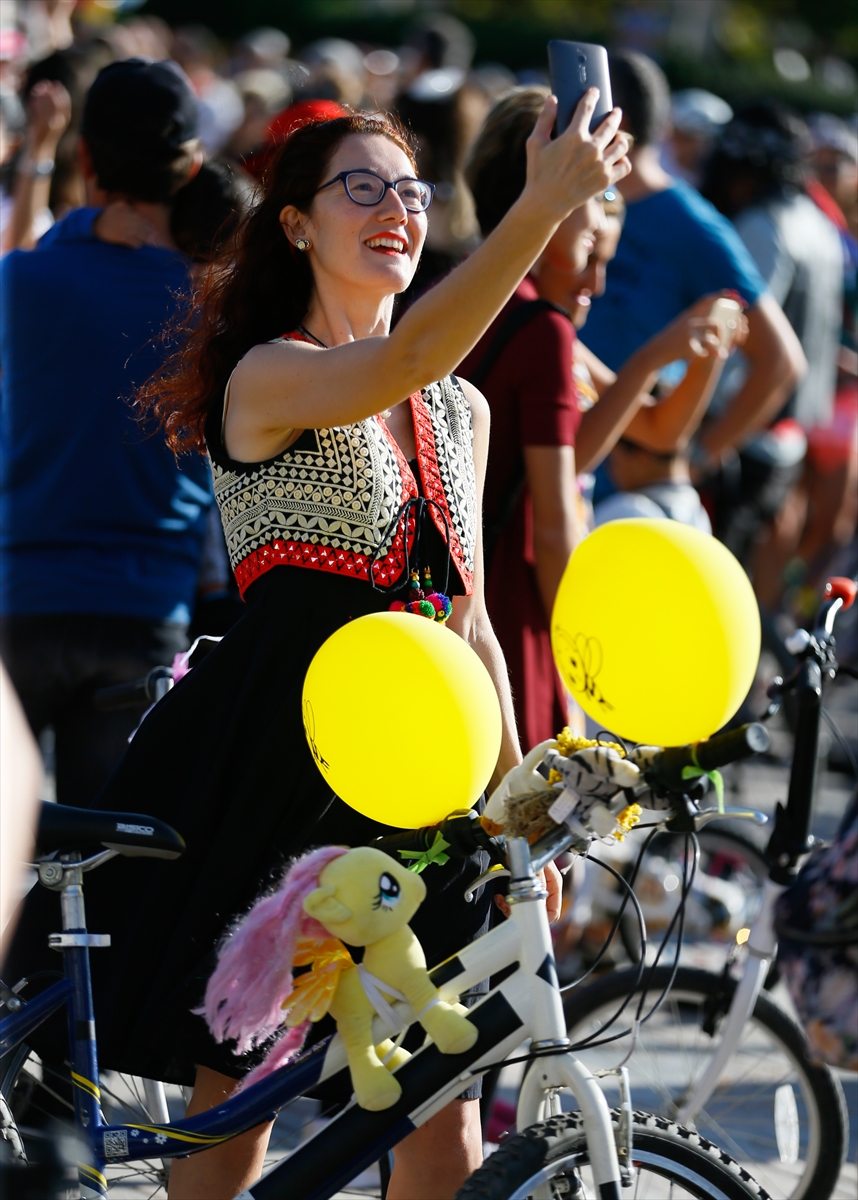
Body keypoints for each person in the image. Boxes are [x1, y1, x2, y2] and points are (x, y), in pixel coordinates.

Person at [5, 92, 630, 1200]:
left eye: (410, 191)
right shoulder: (268, 375)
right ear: (294, 223)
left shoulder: (460, 414)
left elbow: (473, 619)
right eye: (362, 187)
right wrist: (540, 209)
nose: (395, 207)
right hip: (275, 761)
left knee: (443, 1120)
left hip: (420, 774)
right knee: (234, 1107)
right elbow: (415, 351)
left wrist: (523, 802)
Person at [459, 87, 742, 748]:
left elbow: (654, 431)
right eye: (588, 250)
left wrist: (691, 353)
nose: (598, 282)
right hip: (517, 597)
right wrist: (585, 668)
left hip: (476, 588)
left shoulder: (484, 299)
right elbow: (559, 506)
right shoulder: (539, 328)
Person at [0, 58, 213, 808]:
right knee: (113, 868)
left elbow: (24, 256)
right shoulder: (212, 304)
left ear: (84, 157)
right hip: (150, 610)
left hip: (21, 598)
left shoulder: (22, 281)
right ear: (189, 166)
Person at [583, 51, 805, 480]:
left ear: (615, 121)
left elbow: (781, 360)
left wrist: (698, 458)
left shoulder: (691, 225)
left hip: (618, 492)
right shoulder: (574, 201)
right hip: (555, 465)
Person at [701, 103, 845, 602]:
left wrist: (706, 442)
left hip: (743, 428)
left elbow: (741, 333)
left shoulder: (764, 225)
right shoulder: (820, 223)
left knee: (714, 578)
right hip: (790, 431)